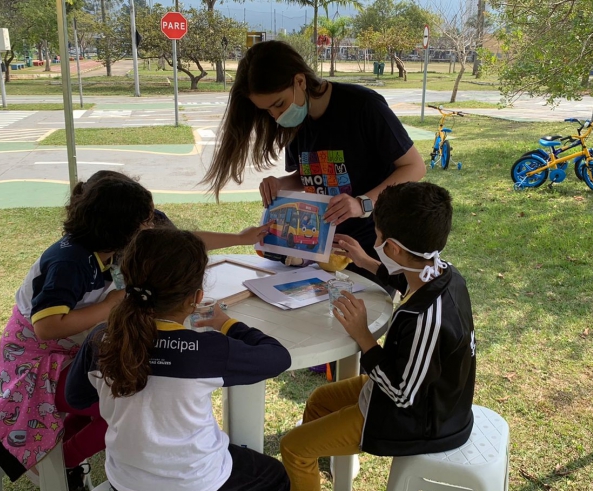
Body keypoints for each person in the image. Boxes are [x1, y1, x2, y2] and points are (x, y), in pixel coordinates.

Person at [0, 171, 270, 491]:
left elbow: (181, 242)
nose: (153, 223)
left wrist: (240, 238)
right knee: (126, 406)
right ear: (122, 231)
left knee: (123, 395)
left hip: (77, 351)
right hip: (39, 364)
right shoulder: (67, 262)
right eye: (146, 220)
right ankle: (61, 464)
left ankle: (65, 453)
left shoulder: (116, 239)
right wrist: (110, 305)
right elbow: (46, 328)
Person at [279, 182, 476, 491]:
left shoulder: (426, 318)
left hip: (418, 421)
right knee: (319, 400)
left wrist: (363, 335)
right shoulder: (442, 272)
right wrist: (364, 260)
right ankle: (312, 471)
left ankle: (304, 460)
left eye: (378, 236)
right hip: (417, 394)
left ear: (394, 249)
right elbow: (405, 279)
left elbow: (401, 394)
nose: (375, 241)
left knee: (292, 447)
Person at [66, 228, 292, 491]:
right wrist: (227, 324)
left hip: (126, 480)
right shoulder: (206, 349)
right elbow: (278, 357)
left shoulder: (99, 340)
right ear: (196, 299)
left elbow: (77, 398)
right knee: (276, 475)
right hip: (196, 481)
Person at [205, 40, 426, 277]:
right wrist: (281, 183)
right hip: (322, 245)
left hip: (372, 244)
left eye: (279, 104)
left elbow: (414, 167)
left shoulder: (363, 106)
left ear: (300, 81)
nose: (277, 117)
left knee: (367, 311)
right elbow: (307, 174)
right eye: (268, 111)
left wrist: (362, 203)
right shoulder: (296, 122)